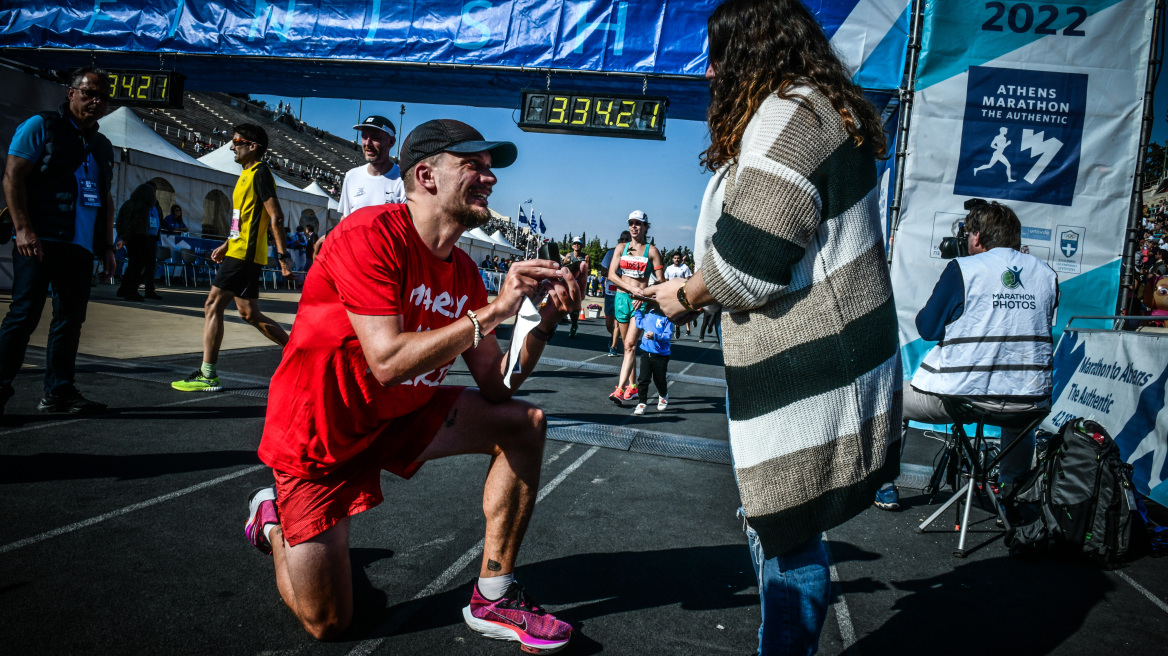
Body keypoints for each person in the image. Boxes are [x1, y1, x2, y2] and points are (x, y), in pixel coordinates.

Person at [244, 119, 581, 651]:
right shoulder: (368, 237)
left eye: (491, 170)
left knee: (523, 423)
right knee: (328, 624)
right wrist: (494, 311)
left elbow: (497, 385)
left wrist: (539, 320)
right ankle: (272, 521)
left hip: (399, 414)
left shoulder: (466, 272)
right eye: (475, 166)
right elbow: (387, 360)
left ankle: (494, 594)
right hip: (321, 435)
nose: (489, 179)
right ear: (425, 174)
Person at [647, 2, 901, 652]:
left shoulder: (790, 116)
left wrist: (684, 294)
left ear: (749, 52)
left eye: (717, 56)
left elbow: (746, 262)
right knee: (785, 529)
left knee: (787, 532)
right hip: (819, 369)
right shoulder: (819, 110)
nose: (707, 73)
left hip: (806, 377)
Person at [874, 200, 1058, 511]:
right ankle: (1011, 493)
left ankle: (885, 485)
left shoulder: (964, 269)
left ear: (975, 236)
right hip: (1028, 401)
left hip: (964, 397)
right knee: (1019, 417)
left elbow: (928, 328)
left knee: (893, 399)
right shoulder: (1046, 273)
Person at [0, 67, 117, 415]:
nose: (96, 101)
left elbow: (106, 198)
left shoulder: (102, 145)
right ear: (71, 93)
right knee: (24, 315)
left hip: (78, 246)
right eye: (88, 93)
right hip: (39, 240)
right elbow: (12, 177)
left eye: (102, 97)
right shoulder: (42, 126)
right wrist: (23, 228)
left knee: (70, 319)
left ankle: (58, 392)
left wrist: (107, 246)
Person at [171, 124, 293, 392]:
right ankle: (299, 353)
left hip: (245, 255)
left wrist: (283, 255)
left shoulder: (260, 172)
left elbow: (276, 216)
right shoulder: (245, 175)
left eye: (237, 141)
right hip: (239, 250)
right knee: (249, 313)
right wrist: (227, 243)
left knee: (211, 305)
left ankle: (208, 375)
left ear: (253, 146)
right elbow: (245, 219)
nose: (231, 146)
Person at [317, 116, 406, 259]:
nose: (368, 143)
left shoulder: (403, 179)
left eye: (375, 137)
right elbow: (345, 220)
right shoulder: (351, 176)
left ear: (391, 142)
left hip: (387, 264)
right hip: (353, 262)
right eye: (364, 136)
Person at [606, 211, 663, 405]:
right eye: (631, 223)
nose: (634, 226)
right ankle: (633, 386)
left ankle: (620, 389)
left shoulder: (652, 251)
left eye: (638, 223)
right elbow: (611, 275)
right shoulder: (621, 247)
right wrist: (631, 288)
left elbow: (660, 283)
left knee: (630, 344)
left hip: (640, 302)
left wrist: (644, 294)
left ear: (646, 226)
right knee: (626, 346)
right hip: (622, 299)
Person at [115, 181, 164, 301]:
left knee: (134, 265)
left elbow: (120, 221)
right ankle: (131, 291)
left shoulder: (129, 204)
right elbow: (135, 224)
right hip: (138, 238)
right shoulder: (142, 207)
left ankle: (124, 289)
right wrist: (126, 237)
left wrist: (124, 236)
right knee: (137, 266)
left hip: (134, 238)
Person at [631, 302, 672, 416]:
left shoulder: (667, 318)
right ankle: (642, 403)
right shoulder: (649, 314)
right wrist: (637, 310)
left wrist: (655, 336)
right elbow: (640, 323)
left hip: (661, 355)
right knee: (643, 379)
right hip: (646, 352)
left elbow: (668, 335)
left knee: (659, 379)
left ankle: (663, 395)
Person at [599, 231, 630, 357]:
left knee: (618, 322)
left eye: (626, 239)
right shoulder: (611, 253)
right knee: (609, 323)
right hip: (610, 291)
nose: (623, 241)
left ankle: (614, 345)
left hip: (623, 293)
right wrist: (618, 277)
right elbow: (603, 270)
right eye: (621, 239)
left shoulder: (632, 255)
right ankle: (614, 336)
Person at [563, 237, 591, 338]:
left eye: (578, 244)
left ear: (582, 245)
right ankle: (563, 317)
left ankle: (574, 324)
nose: (576, 245)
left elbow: (589, 270)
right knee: (565, 301)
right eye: (575, 243)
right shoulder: (569, 255)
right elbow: (563, 267)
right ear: (572, 245)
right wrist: (569, 263)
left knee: (576, 304)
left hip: (579, 283)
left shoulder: (586, 257)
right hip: (568, 281)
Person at [663, 252, 693, 338]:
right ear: (672, 259)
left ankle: (679, 325)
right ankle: (673, 326)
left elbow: (688, 280)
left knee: (682, 309)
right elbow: (666, 280)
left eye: (678, 258)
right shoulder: (669, 268)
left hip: (681, 292)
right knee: (670, 310)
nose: (677, 259)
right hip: (671, 292)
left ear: (680, 259)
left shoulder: (685, 268)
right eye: (675, 258)